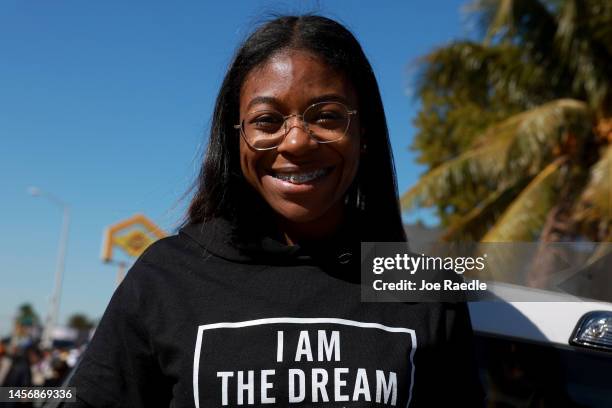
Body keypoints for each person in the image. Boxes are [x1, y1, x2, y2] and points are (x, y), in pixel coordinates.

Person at [67, 15, 485, 407]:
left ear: (365, 133)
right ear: (235, 139)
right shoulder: (167, 276)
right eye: (267, 121)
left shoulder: (421, 284)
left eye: (327, 116)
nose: (297, 142)